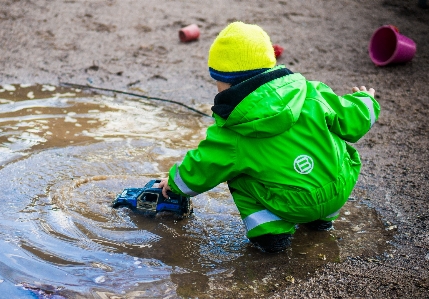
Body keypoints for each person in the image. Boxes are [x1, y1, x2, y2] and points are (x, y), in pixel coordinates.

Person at [158, 21, 380, 253]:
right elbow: (353, 119)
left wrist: (174, 184)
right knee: (332, 145)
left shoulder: (232, 129)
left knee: (234, 172)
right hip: (338, 188)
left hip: (291, 204)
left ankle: (271, 234)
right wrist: (366, 100)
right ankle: (321, 221)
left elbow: (203, 166)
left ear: (222, 81)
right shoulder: (311, 92)